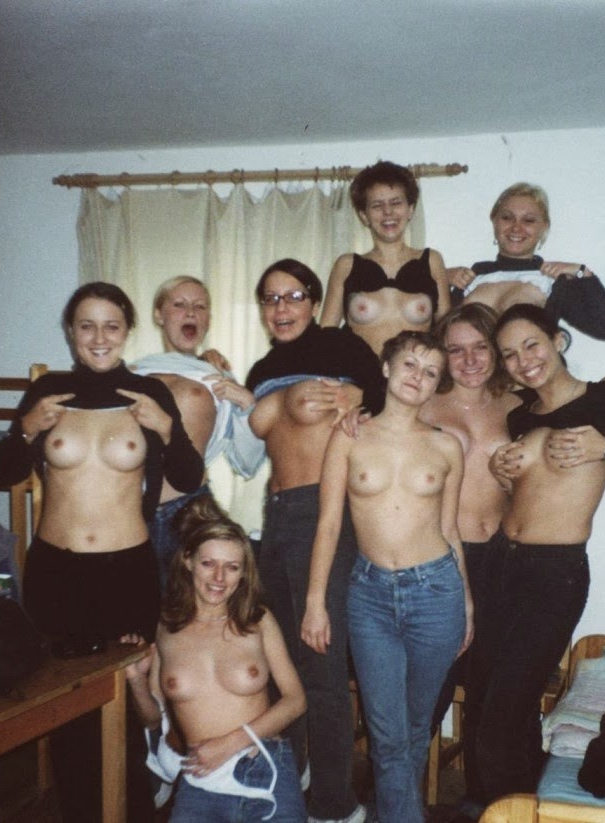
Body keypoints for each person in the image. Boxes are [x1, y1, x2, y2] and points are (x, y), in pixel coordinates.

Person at [0, 281, 204, 823]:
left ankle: (132, 811)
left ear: (128, 331)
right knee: (64, 706)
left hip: (126, 571)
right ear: (71, 332)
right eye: (87, 325)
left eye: (112, 325)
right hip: (55, 571)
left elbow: (187, 477)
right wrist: (25, 430)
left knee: (128, 702)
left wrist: (167, 428)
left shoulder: (148, 394)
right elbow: (5, 471)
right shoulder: (48, 393)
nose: (99, 337)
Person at [476, 303, 605, 809]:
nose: (523, 361)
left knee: (500, 715)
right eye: (510, 354)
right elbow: (528, 494)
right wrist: (501, 473)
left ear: (558, 341)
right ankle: (522, 809)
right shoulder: (520, 414)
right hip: (500, 565)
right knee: (504, 708)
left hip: (554, 574)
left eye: (532, 345)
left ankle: (504, 812)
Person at [302, 330, 474, 823]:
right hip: (370, 597)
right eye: (410, 365)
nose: (417, 377)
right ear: (386, 368)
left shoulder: (447, 447)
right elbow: (328, 524)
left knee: (415, 730)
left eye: (430, 372)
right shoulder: (349, 435)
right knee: (387, 735)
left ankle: (392, 813)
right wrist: (315, 602)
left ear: (437, 385)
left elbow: (450, 530)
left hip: (437, 592)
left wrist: (466, 603)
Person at [246, 258, 384, 823]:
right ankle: (296, 777)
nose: (282, 308)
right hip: (275, 518)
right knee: (282, 663)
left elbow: (384, 400)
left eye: (294, 296)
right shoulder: (261, 368)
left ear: (314, 300)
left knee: (322, 668)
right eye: (271, 298)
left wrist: (362, 399)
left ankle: (335, 805)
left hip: (324, 514)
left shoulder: (343, 348)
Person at [125, 493, 307, 822]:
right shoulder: (166, 626)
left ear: (243, 573)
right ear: (188, 561)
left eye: (231, 567)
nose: (219, 578)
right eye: (208, 564)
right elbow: (153, 719)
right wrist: (136, 679)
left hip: (263, 767)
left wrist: (229, 744)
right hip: (201, 781)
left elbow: (295, 700)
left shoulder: (258, 619)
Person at [418, 303, 519, 816]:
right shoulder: (424, 404)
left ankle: (482, 801)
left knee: (487, 688)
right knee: (430, 687)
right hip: (439, 558)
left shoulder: (518, 404)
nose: (470, 359)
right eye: (455, 349)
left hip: (499, 559)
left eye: (480, 347)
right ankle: (401, 797)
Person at [132, 275, 265, 590]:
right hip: (131, 513)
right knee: (136, 616)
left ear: (208, 319)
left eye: (200, 306)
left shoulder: (219, 377)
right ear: (158, 314)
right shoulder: (132, 372)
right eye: (179, 304)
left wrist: (247, 406)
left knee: (202, 613)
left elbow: (248, 463)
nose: (190, 312)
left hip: (192, 513)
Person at [448, 182, 605, 340]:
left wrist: (583, 272)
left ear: (544, 227)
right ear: (494, 221)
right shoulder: (472, 275)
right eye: (507, 217)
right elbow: (441, 330)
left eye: (528, 220)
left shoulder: (552, 279)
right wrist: (442, 277)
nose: (516, 227)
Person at [320, 160, 450, 356]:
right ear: (364, 216)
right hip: (358, 373)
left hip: (415, 373)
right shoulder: (346, 265)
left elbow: (447, 334)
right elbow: (325, 334)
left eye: (396, 203)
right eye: (377, 205)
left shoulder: (432, 261)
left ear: (410, 209)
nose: (387, 212)